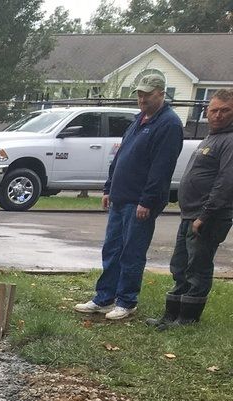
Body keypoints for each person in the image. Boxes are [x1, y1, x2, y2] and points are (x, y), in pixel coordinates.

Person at [74, 73, 185, 322]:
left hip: (140, 202)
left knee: (131, 252)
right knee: (112, 248)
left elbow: (161, 168)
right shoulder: (138, 120)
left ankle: (126, 301)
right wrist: (108, 188)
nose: (142, 98)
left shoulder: (169, 124)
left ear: (161, 93)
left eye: (147, 94)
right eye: (139, 93)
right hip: (120, 197)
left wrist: (147, 200)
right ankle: (104, 297)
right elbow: (121, 157)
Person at [148, 89, 233, 329]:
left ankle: (187, 319)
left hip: (208, 217)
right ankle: (171, 315)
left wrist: (205, 215)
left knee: (198, 266)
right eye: (214, 110)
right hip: (190, 214)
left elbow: (226, 183)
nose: (218, 115)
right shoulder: (212, 137)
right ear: (207, 111)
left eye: (224, 111)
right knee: (180, 265)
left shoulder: (229, 141)